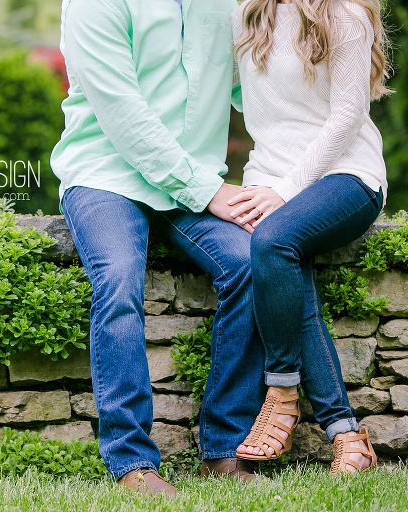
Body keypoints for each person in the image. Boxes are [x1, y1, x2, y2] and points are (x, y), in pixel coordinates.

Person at [52, 0, 266, 496]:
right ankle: (132, 462)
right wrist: (208, 191)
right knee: (120, 278)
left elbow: (257, 88)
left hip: (190, 185)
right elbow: (122, 111)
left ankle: (225, 449)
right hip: (107, 176)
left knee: (253, 264)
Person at [227, 0, 391, 473]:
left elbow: (347, 117)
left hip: (346, 175)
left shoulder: (345, 15)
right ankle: (347, 436)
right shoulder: (248, 13)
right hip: (270, 182)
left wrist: (285, 189)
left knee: (273, 242)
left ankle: (280, 391)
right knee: (284, 264)